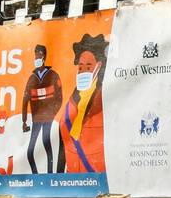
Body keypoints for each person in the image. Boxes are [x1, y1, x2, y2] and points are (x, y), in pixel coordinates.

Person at [62, 34, 109, 174]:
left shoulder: (105, 97)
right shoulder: (73, 100)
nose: (83, 72)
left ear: (98, 66)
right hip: (72, 180)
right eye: (80, 68)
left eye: (89, 67)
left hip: (99, 179)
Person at [21, 43, 62, 175]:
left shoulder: (53, 75)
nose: (37, 58)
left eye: (39, 55)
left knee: (47, 146)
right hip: (36, 119)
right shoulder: (31, 78)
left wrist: (52, 112)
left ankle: (50, 175)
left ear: (44, 57)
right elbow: (25, 100)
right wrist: (24, 121)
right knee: (30, 151)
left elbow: (59, 98)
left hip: (48, 118)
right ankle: (36, 176)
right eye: (35, 56)